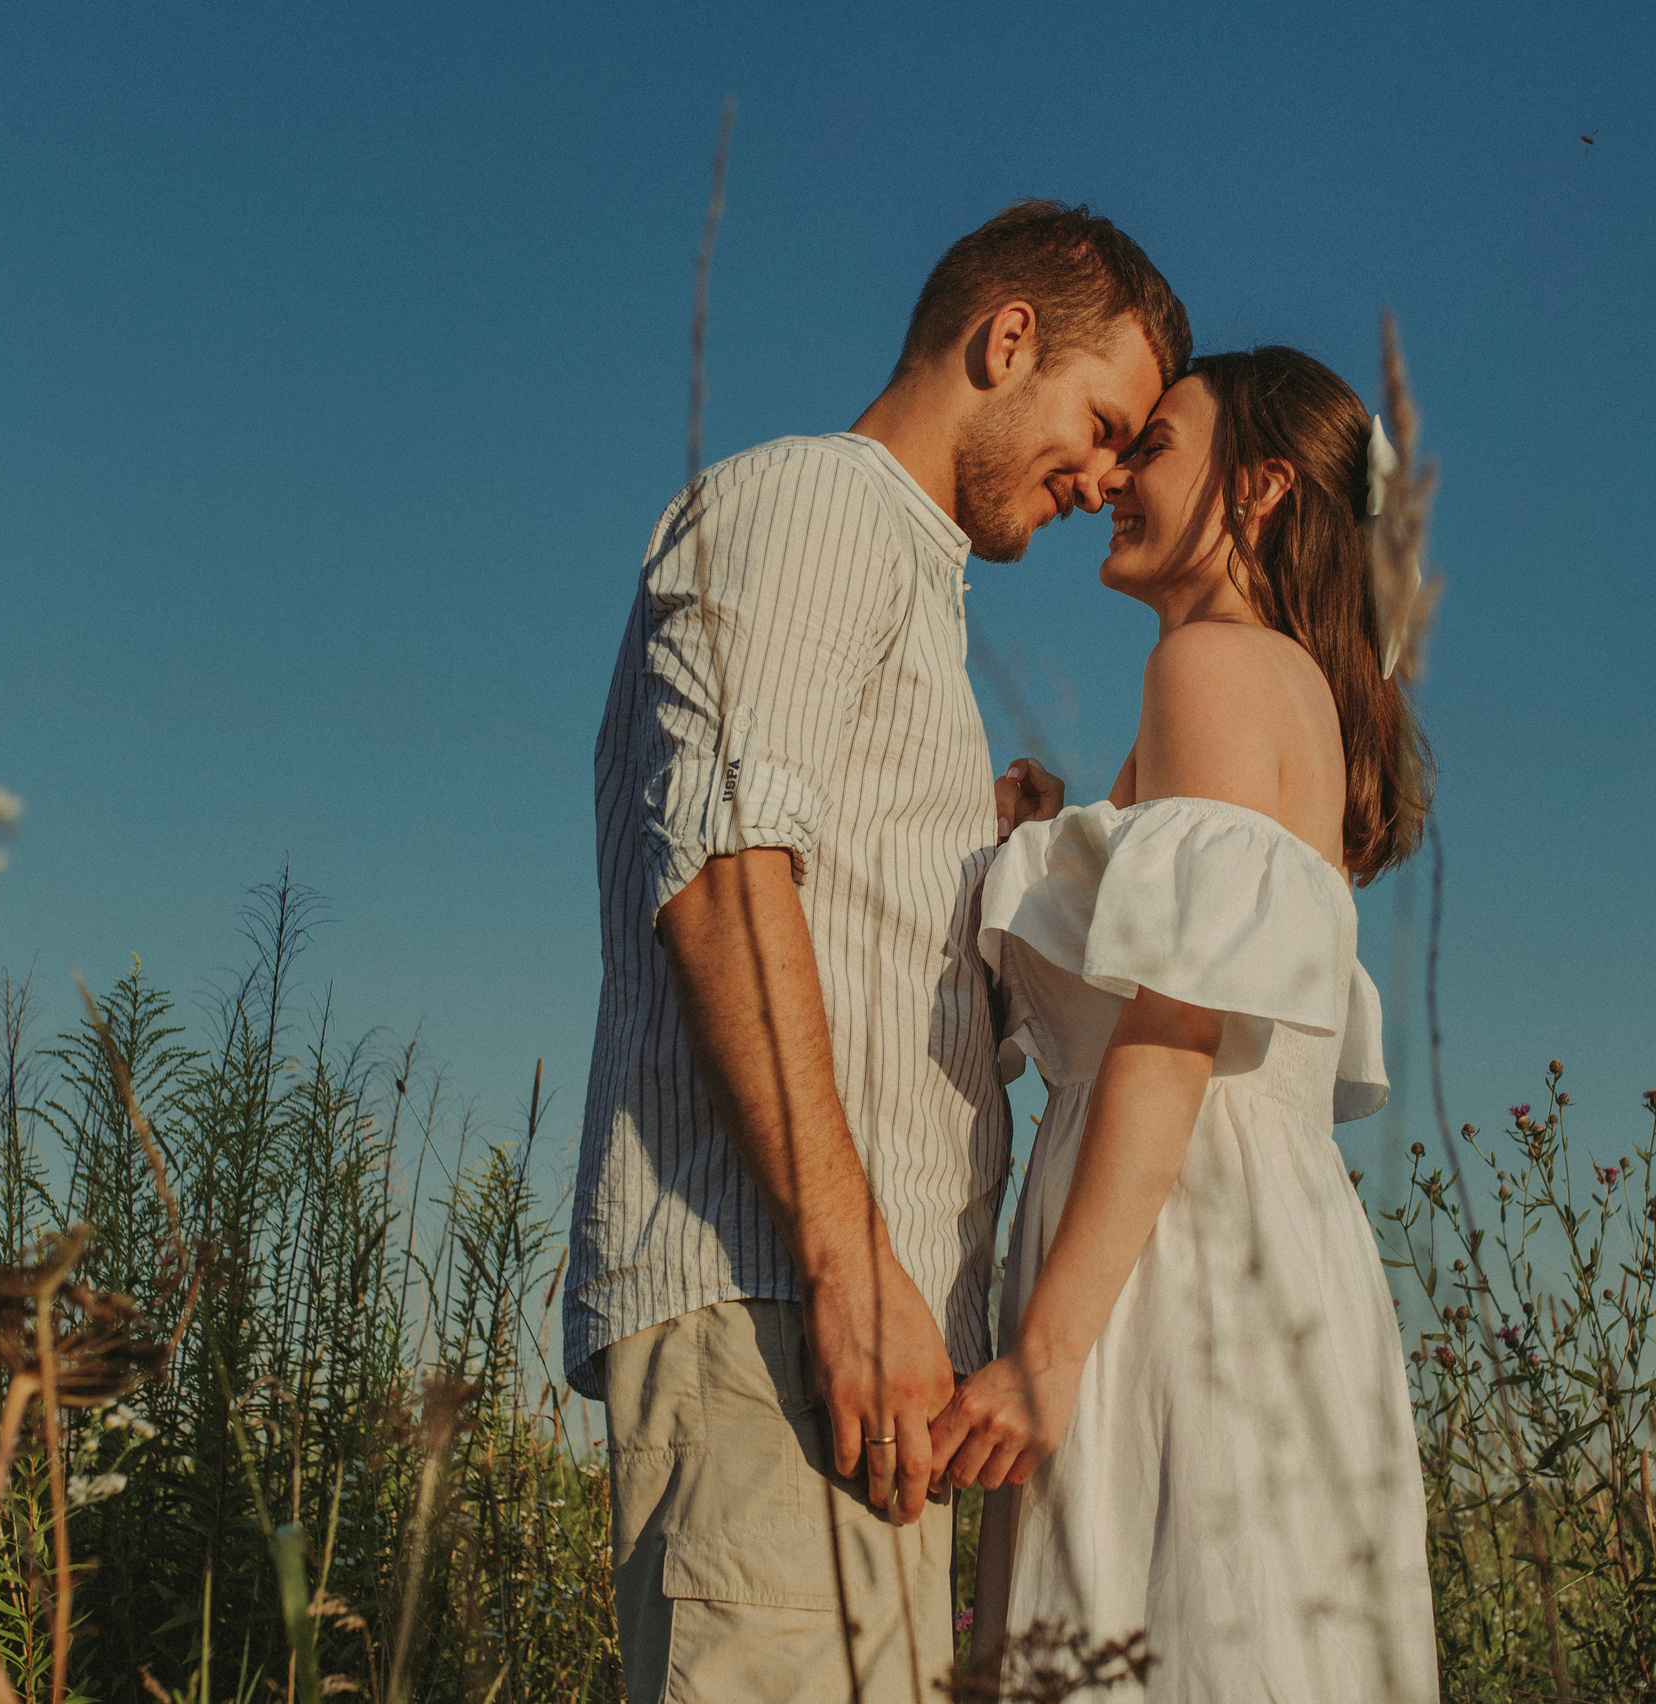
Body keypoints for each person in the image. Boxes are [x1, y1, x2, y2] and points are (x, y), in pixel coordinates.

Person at [567, 201, 1189, 1699]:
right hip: (781, 1301)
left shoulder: (898, 574)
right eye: (1105, 424)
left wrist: (970, 858)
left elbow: (802, 877)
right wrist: (855, 1272)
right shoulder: (810, 502)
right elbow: (718, 872)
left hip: (856, 1340)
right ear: (1008, 337)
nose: (1106, 477)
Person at [936, 347, 1442, 1701]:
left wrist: (1044, 1356)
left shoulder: (1212, 668)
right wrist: (1050, 844)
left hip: (1174, 1248)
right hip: (1249, 1237)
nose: (1112, 476)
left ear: (1259, 488)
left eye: (1154, 445)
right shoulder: (1286, 694)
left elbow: (1174, 1025)